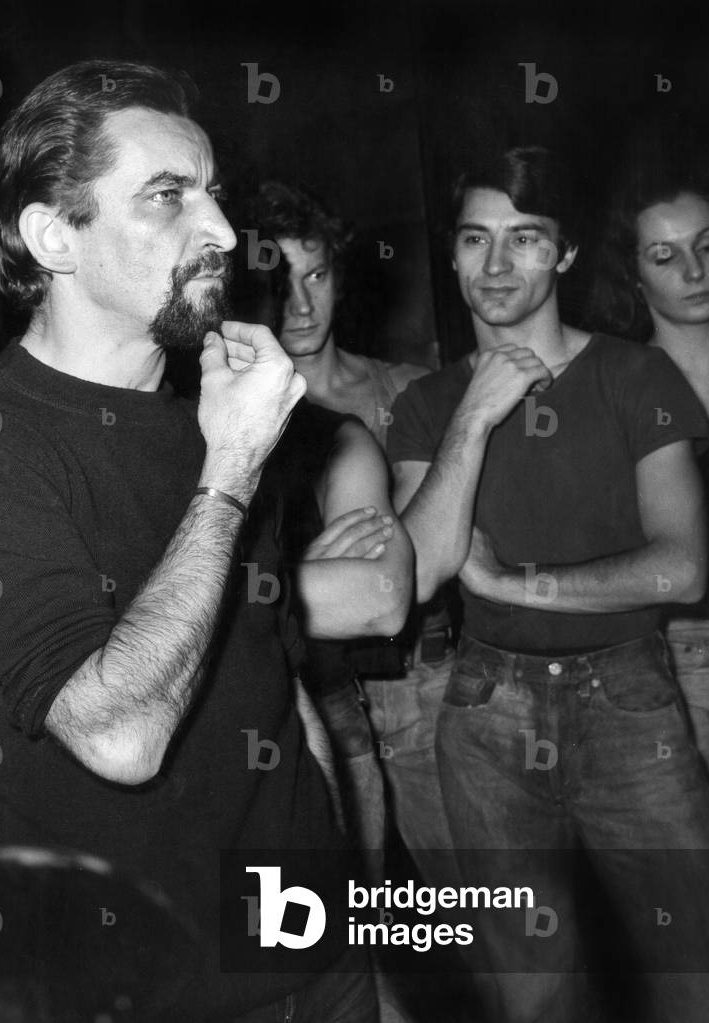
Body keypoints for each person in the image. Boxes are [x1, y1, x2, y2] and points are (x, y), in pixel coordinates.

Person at [0, 59, 413, 1022]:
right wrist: (230, 470)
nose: (222, 232)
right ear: (53, 236)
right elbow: (120, 736)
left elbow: (277, 687)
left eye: (213, 193)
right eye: (168, 197)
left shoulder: (216, 413)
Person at [387, 145, 709, 1023]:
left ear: (567, 252)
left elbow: (681, 566)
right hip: (485, 711)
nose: (496, 264)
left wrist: (513, 583)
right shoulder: (428, 404)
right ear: (452, 254)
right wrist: (476, 412)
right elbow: (420, 568)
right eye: (475, 239)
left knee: (707, 972)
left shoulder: (635, 374)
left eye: (525, 238)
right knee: (534, 994)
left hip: (631, 697)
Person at [246, 182, 459, 882]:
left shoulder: (409, 391)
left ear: (340, 276)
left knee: (470, 905)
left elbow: (410, 573)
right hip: (310, 691)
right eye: (280, 282)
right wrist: (304, 563)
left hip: (420, 678)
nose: (300, 305)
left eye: (316, 276)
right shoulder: (224, 414)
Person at [589, 171, 709, 826]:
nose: (694, 270)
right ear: (634, 277)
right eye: (664, 255)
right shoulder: (614, 393)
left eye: (707, 245)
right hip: (681, 658)